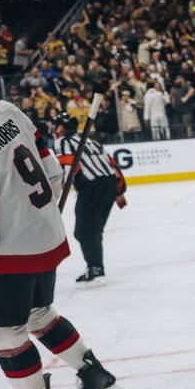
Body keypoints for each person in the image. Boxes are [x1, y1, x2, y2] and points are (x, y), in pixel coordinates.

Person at [0, 48, 125, 389]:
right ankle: (94, 375)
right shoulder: (4, 110)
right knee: (37, 313)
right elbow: (49, 166)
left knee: (0, 332)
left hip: (6, 251)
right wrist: (41, 214)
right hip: (43, 236)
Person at [54, 112, 127, 284]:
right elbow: (112, 164)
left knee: (84, 231)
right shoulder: (91, 140)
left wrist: (57, 189)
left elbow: (68, 167)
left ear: (61, 128)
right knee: (92, 230)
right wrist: (119, 191)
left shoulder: (63, 142)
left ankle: (95, 268)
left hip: (92, 187)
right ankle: (95, 265)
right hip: (109, 184)